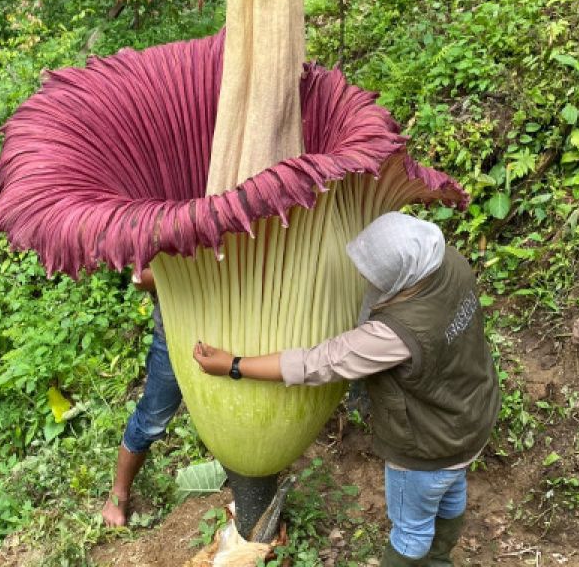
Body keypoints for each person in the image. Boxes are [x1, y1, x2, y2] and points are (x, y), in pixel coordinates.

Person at [193, 212, 500, 566]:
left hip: (427, 448)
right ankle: (440, 561)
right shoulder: (446, 260)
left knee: (412, 530)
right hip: (472, 417)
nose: (362, 277)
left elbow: (318, 363)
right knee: (451, 490)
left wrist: (234, 365)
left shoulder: (396, 334)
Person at [101, 267, 183, 527]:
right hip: (174, 338)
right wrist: (199, 266)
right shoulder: (155, 226)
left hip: (230, 337)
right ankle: (119, 493)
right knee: (152, 419)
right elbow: (140, 278)